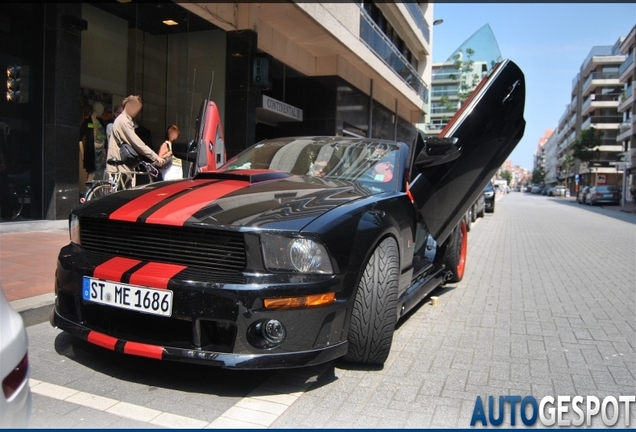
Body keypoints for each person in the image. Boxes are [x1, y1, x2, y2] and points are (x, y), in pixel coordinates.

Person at [106, 95, 164, 186]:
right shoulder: (124, 121)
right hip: (120, 165)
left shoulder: (123, 120)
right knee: (123, 195)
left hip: (121, 164)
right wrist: (155, 157)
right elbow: (136, 142)